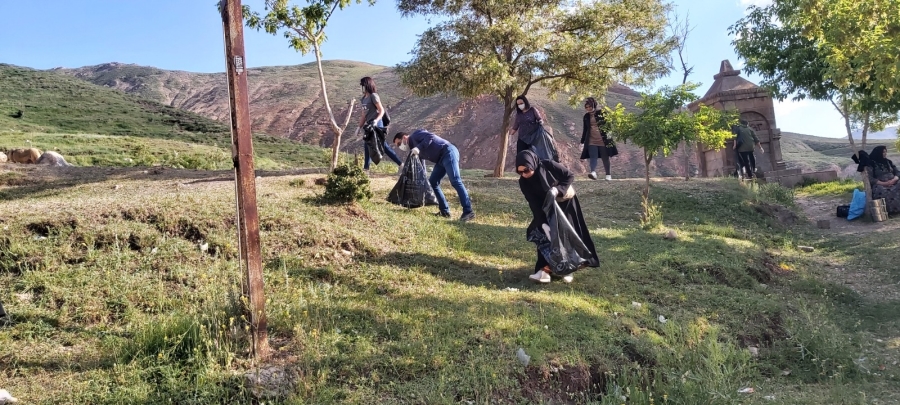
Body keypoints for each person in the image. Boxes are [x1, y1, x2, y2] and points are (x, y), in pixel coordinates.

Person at [515, 150, 599, 283]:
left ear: (533, 164)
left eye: (526, 170)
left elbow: (569, 176)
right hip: (547, 208)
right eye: (520, 172)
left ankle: (570, 269)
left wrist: (557, 190)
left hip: (565, 204)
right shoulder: (524, 182)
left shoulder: (548, 165)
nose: (524, 174)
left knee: (567, 235)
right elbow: (533, 203)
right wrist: (542, 222)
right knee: (542, 234)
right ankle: (544, 269)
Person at [394, 130, 475, 222]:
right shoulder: (413, 148)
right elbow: (421, 162)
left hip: (448, 152)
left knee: (455, 181)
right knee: (432, 183)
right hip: (440, 160)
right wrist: (422, 176)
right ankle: (444, 211)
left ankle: (468, 211)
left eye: (399, 143)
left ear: (404, 138)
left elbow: (430, 136)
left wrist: (419, 147)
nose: (400, 146)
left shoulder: (414, 136)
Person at [357, 76, 402, 173]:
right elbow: (363, 115)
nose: (362, 87)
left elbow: (381, 110)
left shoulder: (374, 96)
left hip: (377, 124)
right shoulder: (363, 99)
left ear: (367, 85)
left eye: (363, 85)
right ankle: (366, 168)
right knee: (367, 144)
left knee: (383, 146)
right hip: (369, 124)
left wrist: (376, 121)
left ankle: (401, 164)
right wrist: (358, 127)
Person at [579, 97, 618, 180]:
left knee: (605, 157)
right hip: (591, 140)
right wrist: (582, 142)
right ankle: (593, 172)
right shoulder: (586, 116)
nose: (588, 108)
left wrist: (609, 138)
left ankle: (608, 175)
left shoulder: (601, 113)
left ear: (594, 105)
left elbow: (608, 126)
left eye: (589, 106)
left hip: (603, 140)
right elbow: (585, 130)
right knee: (593, 157)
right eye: (586, 107)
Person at [869, 145, 900, 214]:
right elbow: (870, 178)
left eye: (886, 152)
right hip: (880, 185)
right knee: (885, 192)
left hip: (893, 182)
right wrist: (884, 183)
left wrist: (895, 179)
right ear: (878, 153)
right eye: (883, 152)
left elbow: (897, 172)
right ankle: (890, 211)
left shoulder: (888, 162)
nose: (885, 154)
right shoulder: (871, 163)